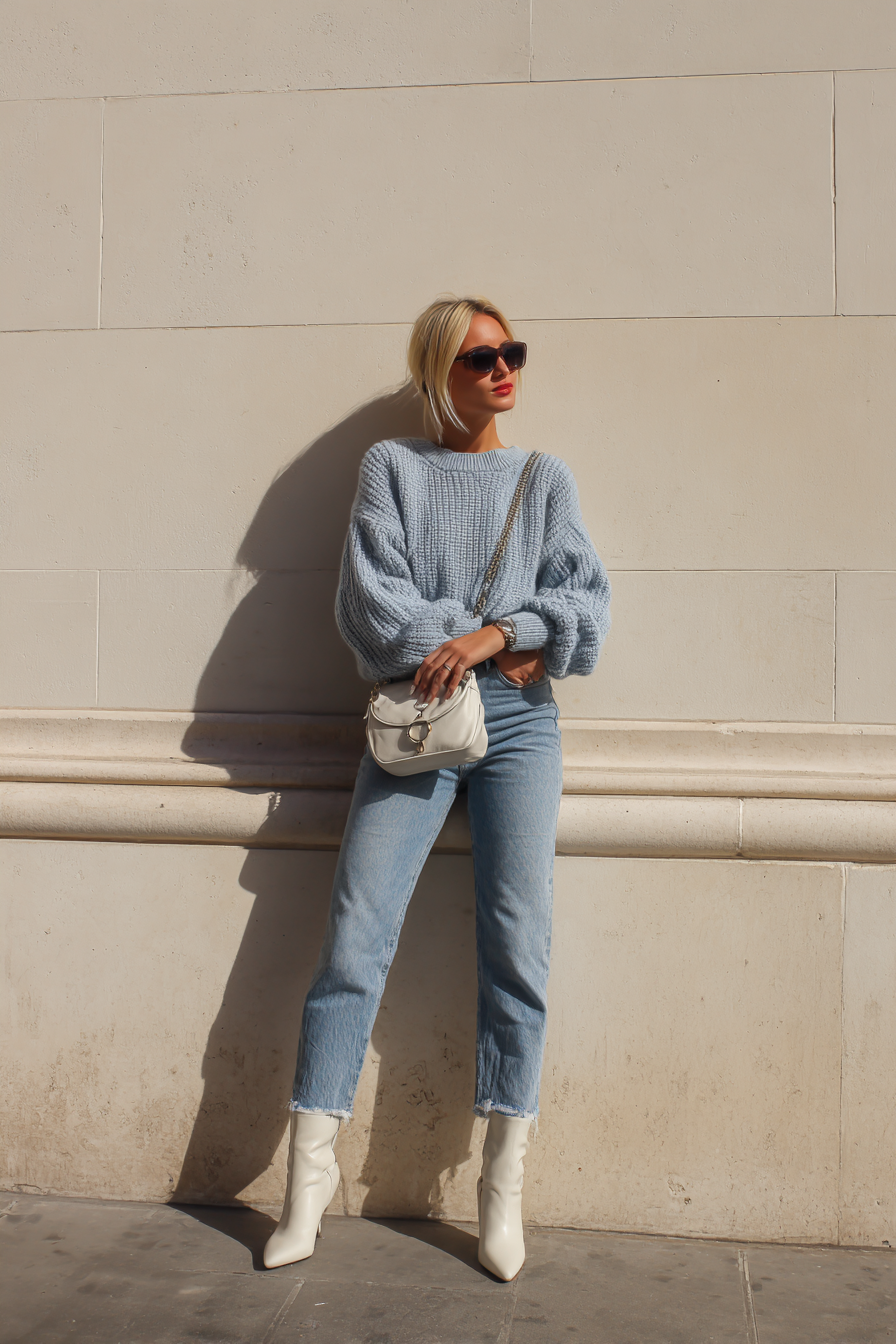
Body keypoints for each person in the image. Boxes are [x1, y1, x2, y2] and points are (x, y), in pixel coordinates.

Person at [264, 295, 611, 1280]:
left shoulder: (543, 478)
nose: (504, 371)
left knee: (517, 943)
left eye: (512, 354)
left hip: (519, 726)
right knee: (354, 937)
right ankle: (306, 1184)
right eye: (480, 359)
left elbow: (584, 603)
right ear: (436, 373)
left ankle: (501, 1188)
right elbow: (369, 602)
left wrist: (497, 635)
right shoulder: (393, 468)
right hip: (417, 713)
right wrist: (482, 637)